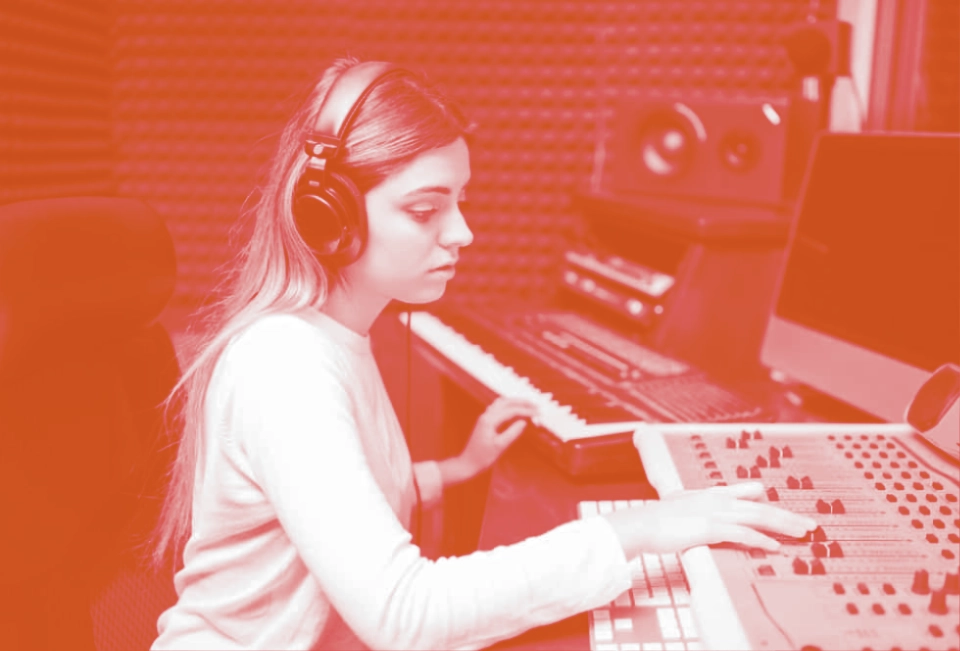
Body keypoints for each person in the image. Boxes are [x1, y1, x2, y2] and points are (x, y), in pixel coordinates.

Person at [149, 57, 818, 650]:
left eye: (460, 202)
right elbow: (404, 614)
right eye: (425, 210)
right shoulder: (283, 367)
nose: (462, 232)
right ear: (330, 216)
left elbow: (336, 501)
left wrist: (456, 469)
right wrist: (636, 530)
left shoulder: (331, 336)